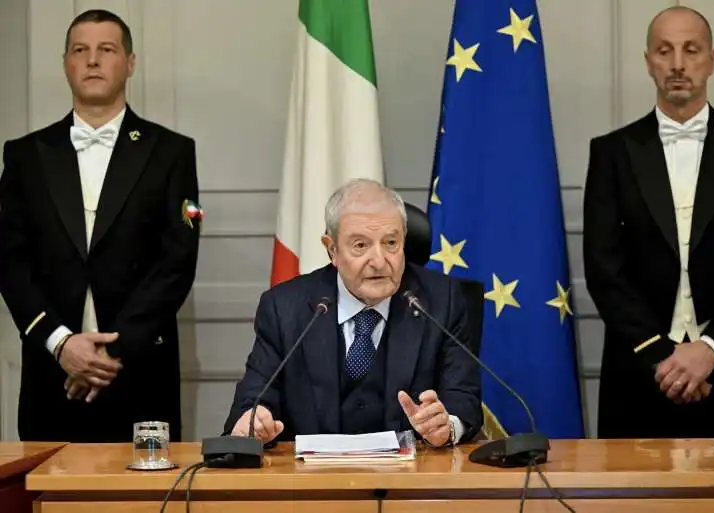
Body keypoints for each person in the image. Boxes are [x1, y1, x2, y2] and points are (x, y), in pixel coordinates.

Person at [583, 6, 714, 439]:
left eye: (690, 50)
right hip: (639, 375)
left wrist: (708, 350)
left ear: (712, 59)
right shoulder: (611, 153)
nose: (677, 64)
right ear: (648, 61)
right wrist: (662, 356)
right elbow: (604, 270)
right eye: (665, 50)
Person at [0, 9, 200, 442]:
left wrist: (110, 351)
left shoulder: (171, 153)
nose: (92, 60)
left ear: (129, 63)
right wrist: (61, 344)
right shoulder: (24, 157)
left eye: (106, 50)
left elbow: (177, 261)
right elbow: (9, 261)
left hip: (140, 372)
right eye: (80, 50)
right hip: (51, 374)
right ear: (66, 63)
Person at [222, 179, 482, 446]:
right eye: (360, 245)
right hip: (311, 483)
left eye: (391, 243)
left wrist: (447, 425)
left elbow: (464, 398)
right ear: (331, 249)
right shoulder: (285, 307)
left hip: (408, 482)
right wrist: (254, 420)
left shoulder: (440, 300)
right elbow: (252, 400)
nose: (379, 261)